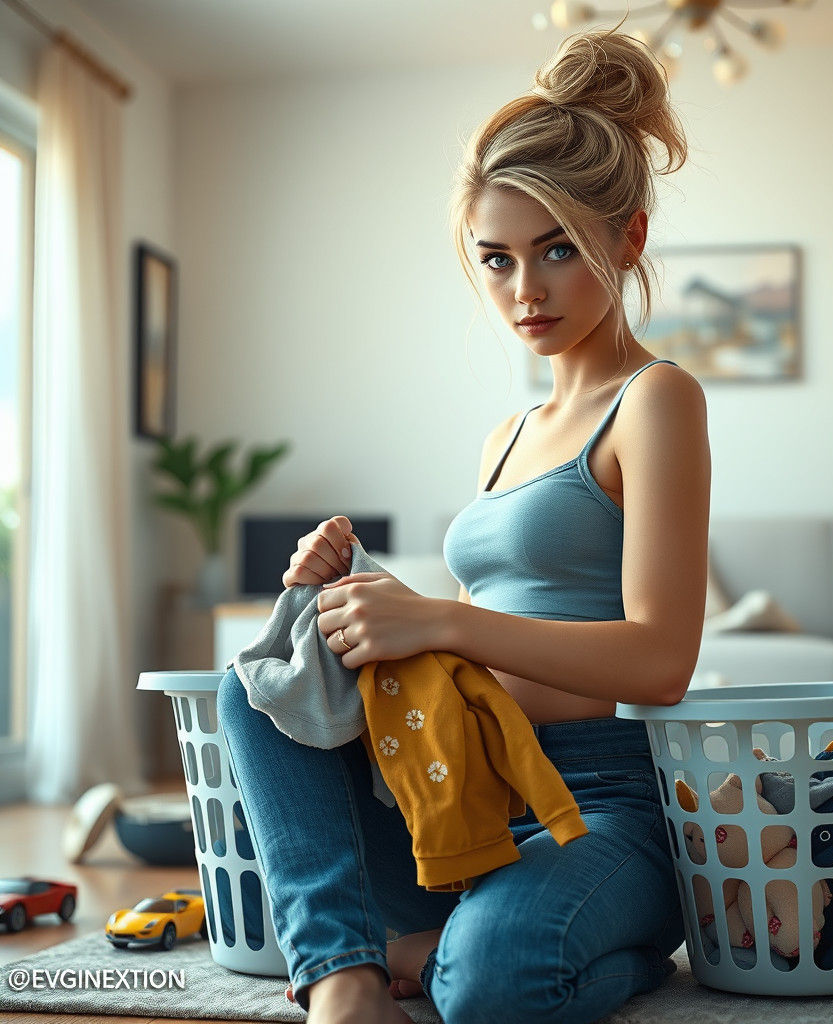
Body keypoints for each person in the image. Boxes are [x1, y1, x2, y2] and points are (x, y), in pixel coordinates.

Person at [217, 21, 710, 1024]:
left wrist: (440, 623)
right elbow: (486, 616)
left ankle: (457, 953)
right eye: (495, 259)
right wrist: (373, 598)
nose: (523, 292)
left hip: (600, 802)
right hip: (457, 779)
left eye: (557, 251)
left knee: (491, 982)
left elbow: (661, 660)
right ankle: (349, 980)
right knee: (257, 683)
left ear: (629, 239)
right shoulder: (507, 431)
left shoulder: (655, 399)